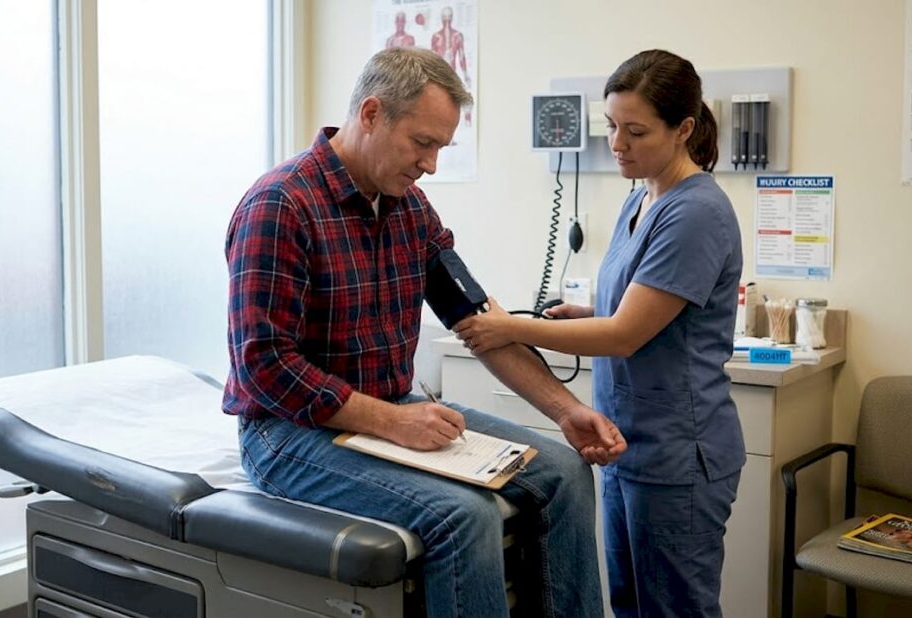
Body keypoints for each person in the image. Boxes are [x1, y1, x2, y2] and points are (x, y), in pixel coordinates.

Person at [224, 47, 626, 618]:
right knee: (462, 515)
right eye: (423, 143)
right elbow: (263, 368)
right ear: (371, 114)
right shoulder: (280, 205)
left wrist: (564, 411)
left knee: (564, 472)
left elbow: (479, 322)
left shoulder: (410, 210)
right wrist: (392, 421)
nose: (431, 165)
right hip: (287, 433)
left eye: (440, 146)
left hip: (389, 407)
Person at [453, 49, 745, 617]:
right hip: (625, 442)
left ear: (684, 129)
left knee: (674, 608)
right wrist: (584, 312)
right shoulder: (641, 197)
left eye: (636, 131)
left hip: (678, 455)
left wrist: (511, 327)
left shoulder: (697, 212)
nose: (618, 144)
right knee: (631, 603)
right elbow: (638, 307)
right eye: (611, 126)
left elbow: (626, 336)